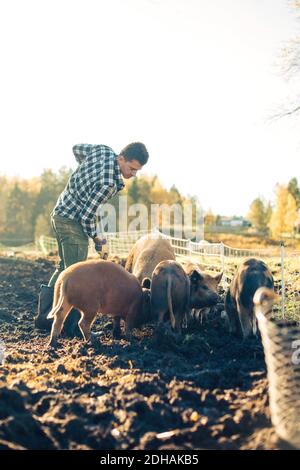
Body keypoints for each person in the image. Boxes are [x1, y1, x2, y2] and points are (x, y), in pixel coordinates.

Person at [35, 142, 149, 334]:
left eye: (137, 171)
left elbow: (76, 149)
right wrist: (98, 240)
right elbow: (86, 217)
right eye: (131, 168)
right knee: (75, 276)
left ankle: (45, 319)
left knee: (63, 268)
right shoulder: (109, 183)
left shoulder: (102, 150)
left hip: (60, 212)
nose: (133, 174)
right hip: (73, 222)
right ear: (121, 159)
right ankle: (70, 329)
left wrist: (84, 175)